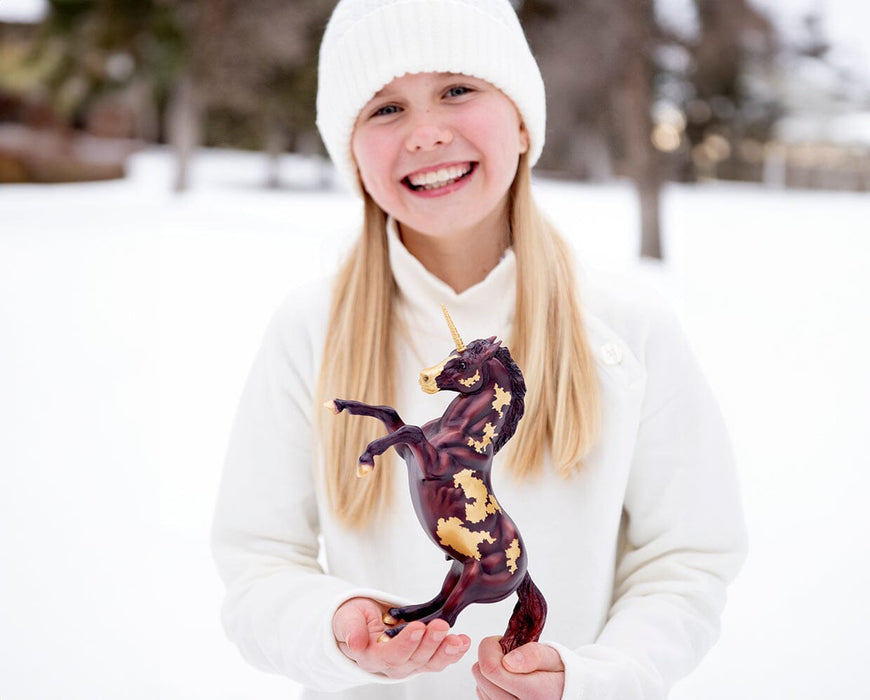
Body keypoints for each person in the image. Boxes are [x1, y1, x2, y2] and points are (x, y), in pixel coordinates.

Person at [211, 0, 748, 697]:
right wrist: (329, 626)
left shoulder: (628, 325)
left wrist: (599, 679)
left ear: (522, 120)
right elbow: (257, 560)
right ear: (351, 151)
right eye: (384, 108)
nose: (427, 133)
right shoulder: (309, 330)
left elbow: (687, 557)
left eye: (457, 90)